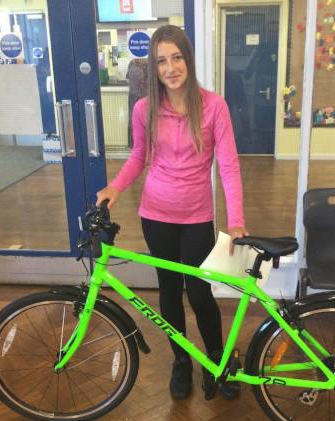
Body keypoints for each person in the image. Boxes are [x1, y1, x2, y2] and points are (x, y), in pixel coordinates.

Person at [96, 25, 247, 401]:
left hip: (197, 217)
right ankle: (181, 360)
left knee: (199, 293)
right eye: (161, 60)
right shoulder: (144, 108)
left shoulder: (213, 106)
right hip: (156, 214)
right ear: (154, 67)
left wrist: (237, 220)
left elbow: (228, 166)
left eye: (176, 57)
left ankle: (216, 361)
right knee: (168, 291)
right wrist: (116, 186)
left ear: (188, 59)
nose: (170, 67)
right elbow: (138, 157)